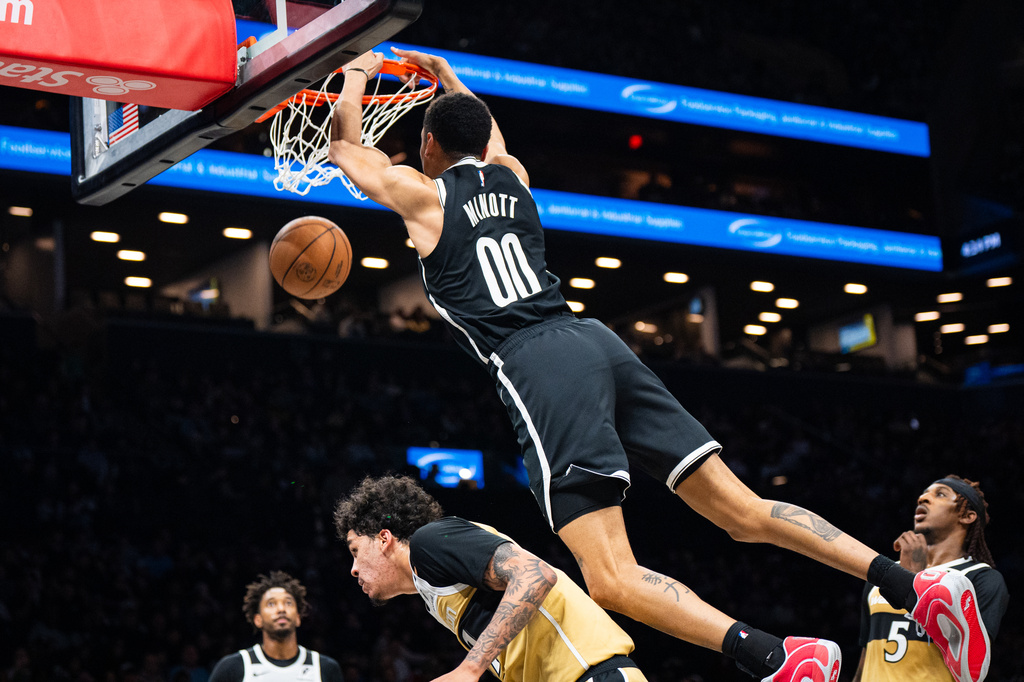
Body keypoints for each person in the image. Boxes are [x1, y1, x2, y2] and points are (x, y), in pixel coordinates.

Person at [327, 47, 991, 682]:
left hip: (538, 362)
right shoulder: (514, 178)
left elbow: (342, 147)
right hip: (596, 340)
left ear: (428, 147)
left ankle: (774, 659)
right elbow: (488, 133)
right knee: (744, 511)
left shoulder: (422, 196)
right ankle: (916, 587)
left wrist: (356, 66)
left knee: (610, 576)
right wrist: (447, 76)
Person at [333, 474, 649, 682]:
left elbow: (535, 575)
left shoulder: (429, 543)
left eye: (356, 550)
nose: (354, 568)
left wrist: (470, 669)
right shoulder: (433, 591)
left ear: (384, 538)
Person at [852, 476, 1009, 682]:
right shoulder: (884, 573)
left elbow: (974, 665)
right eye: (924, 493)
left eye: (940, 494)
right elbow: (866, 658)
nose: (923, 498)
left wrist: (911, 580)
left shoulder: (980, 578)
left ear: (967, 516)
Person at [209, 572, 343, 682]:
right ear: (258, 619)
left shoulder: (325, 668)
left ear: (297, 618)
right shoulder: (232, 667)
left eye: (288, 603)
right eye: (271, 604)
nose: (281, 609)